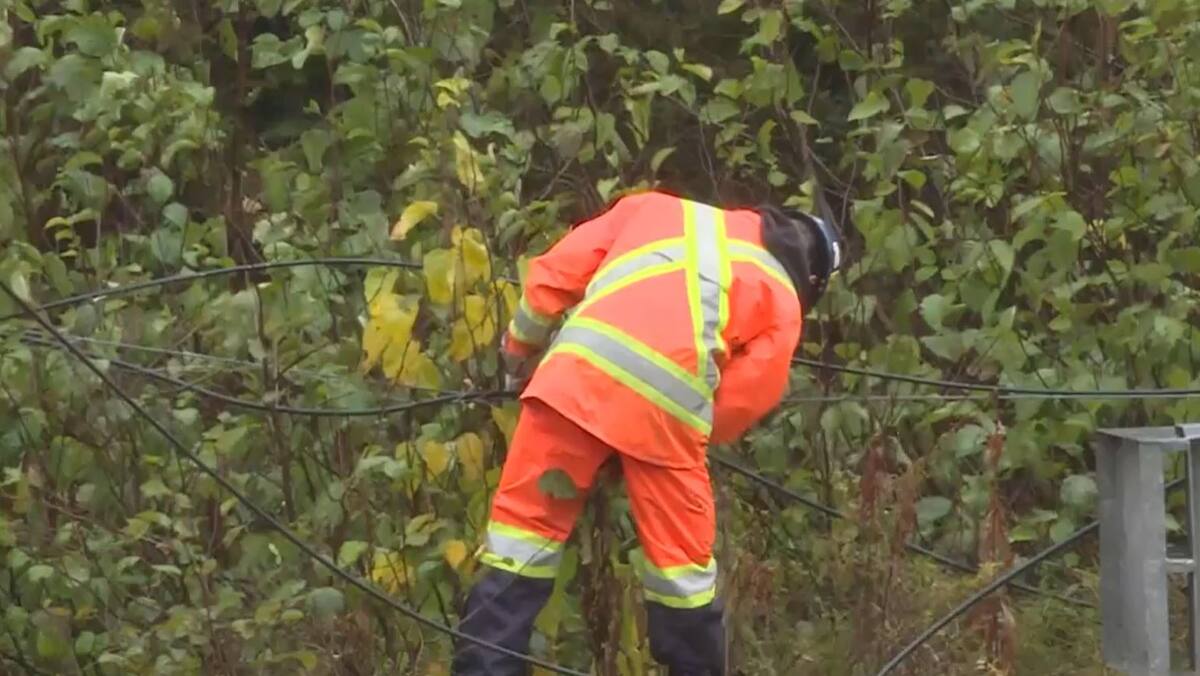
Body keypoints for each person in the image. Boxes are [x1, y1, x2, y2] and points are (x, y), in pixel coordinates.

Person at [450, 189, 844, 675]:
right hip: (667, 419)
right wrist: (643, 438)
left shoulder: (655, 208)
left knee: (519, 544)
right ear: (813, 277)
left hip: (571, 382)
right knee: (683, 578)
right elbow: (739, 403)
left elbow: (552, 276)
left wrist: (516, 354)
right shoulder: (783, 300)